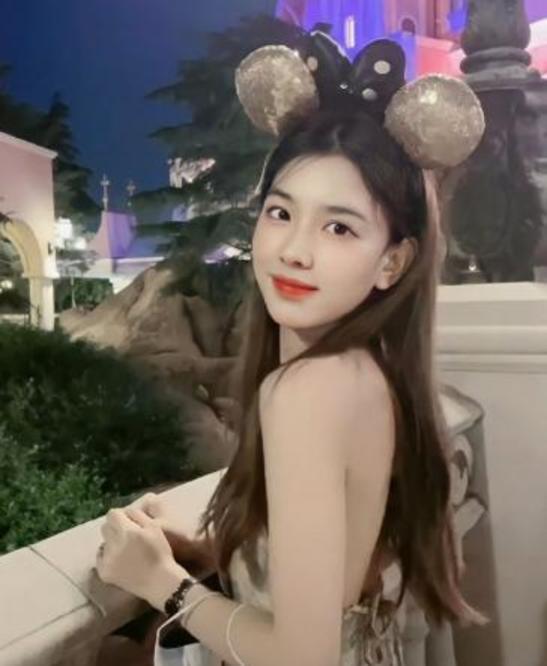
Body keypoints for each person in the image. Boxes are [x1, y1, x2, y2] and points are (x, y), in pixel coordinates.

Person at [95, 33, 486, 666]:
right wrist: (217, 555)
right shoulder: (374, 371)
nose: (296, 250)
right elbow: (334, 569)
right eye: (280, 213)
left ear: (393, 261)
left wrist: (161, 582)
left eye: (339, 227)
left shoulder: (305, 392)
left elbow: (303, 654)